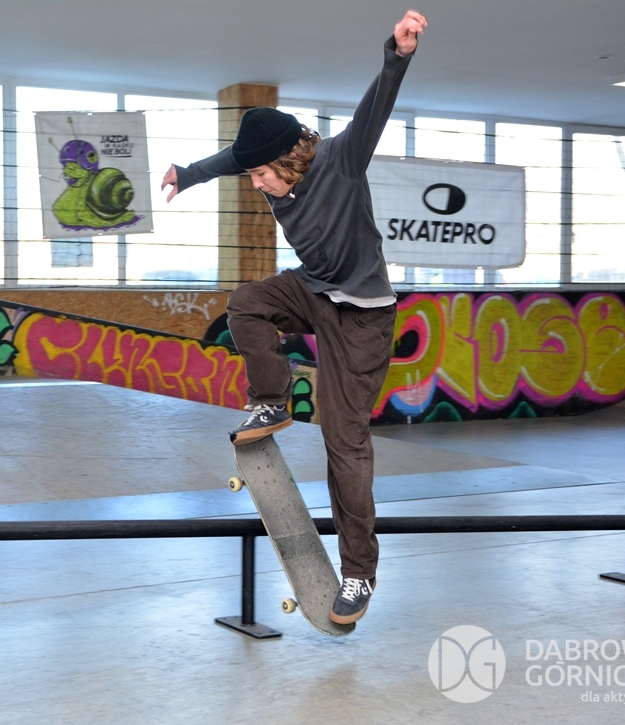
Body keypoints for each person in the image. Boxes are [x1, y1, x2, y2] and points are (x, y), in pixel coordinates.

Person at [162, 10, 427, 626]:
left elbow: (375, 111)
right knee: (247, 302)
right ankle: (271, 401)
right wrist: (189, 174)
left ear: (291, 159)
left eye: (262, 175)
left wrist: (396, 55)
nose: (257, 185)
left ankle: (359, 572)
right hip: (314, 291)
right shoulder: (265, 167)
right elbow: (232, 158)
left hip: (363, 317)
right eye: (252, 174)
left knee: (344, 440)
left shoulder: (341, 159)